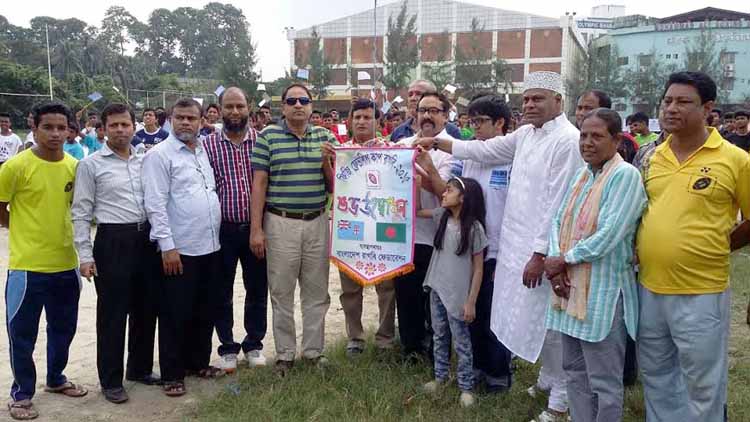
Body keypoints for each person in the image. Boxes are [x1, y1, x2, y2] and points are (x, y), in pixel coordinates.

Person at [420, 71, 583, 422]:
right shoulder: (526, 135)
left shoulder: (568, 140)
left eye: (538, 98)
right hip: (512, 247)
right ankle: (547, 378)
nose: (530, 105)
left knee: (552, 322)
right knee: (523, 315)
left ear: (559, 101)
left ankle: (561, 398)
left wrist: (540, 254)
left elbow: (556, 204)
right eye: (525, 99)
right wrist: (437, 144)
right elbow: (484, 149)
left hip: (543, 251)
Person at [637, 71, 750, 422]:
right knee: (656, 376)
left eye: (683, 102)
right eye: (668, 101)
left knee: (702, 383)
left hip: (701, 291)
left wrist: (717, 246)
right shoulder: (652, 158)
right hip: (649, 287)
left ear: (708, 109)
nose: (671, 108)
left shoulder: (735, 160)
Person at [544, 108, 647, 422]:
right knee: (574, 371)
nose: (587, 142)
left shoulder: (625, 176)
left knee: (603, 381)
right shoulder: (583, 174)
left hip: (604, 294)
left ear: (616, 140)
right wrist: (557, 264)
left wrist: (564, 259)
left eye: (597, 136)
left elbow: (610, 234)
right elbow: (558, 220)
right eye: (584, 135)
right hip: (571, 289)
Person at [1, 102, 88, 420]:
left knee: (63, 329)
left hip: (66, 264)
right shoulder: (15, 167)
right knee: (21, 334)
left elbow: (78, 212)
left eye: (60, 127)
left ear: (69, 130)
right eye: (47, 127)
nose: (54, 133)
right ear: (34, 128)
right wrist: (20, 230)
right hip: (27, 268)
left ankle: (56, 379)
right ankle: (22, 394)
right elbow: (1, 205)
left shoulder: (73, 167)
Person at [71, 103, 162, 404]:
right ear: (103, 129)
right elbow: (81, 212)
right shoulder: (91, 165)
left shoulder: (146, 160)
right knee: (112, 314)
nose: (121, 130)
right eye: (114, 126)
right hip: (113, 241)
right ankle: (110, 380)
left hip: (146, 239)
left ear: (133, 126)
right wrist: (85, 255)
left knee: (145, 308)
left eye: (125, 124)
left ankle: (138, 369)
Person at [250, 84, 335, 376]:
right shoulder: (268, 136)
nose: (298, 105)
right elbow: (259, 184)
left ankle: (313, 352)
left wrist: (327, 162)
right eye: (292, 101)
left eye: (304, 100)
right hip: (280, 222)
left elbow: (336, 186)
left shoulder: (325, 137)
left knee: (316, 291)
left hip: (316, 221)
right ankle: (285, 354)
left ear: (311, 106)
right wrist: (256, 230)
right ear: (282, 107)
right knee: (281, 291)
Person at [142, 98, 224, 397]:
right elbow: (155, 204)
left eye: (192, 118)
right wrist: (167, 246)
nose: (186, 123)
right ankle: (173, 373)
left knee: (204, 308)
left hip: (210, 245)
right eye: (180, 118)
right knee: (175, 312)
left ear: (202, 121)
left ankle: (197, 362)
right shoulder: (160, 156)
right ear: (170, 120)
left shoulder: (203, 150)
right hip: (180, 248)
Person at [203, 87, 268, 373]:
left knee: (257, 289)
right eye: (228, 106)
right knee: (221, 290)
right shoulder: (207, 146)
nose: (234, 112)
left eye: (239, 106)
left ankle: (253, 343)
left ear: (249, 107)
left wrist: (258, 229)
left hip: (257, 229)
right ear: (219, 108)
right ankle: (227, 346)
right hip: (222, 231)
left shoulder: (263, 142)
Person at [394, 92, 458, 363]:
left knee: (436, 299)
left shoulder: (454, 148)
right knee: (407, 296)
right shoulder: (401, 145)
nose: (427, 116)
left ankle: (437, 352)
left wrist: (427, 167)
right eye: (422, 110)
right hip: (405, 238)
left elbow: (448, 195)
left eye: (434, 110)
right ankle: (411, 349)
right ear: (415, 114)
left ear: (445, 115)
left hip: (438, 238)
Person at [460, 95, 514, 393]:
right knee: (474, 314)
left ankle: (499, 374)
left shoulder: (514, 157)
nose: (474, 128)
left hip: (500, 250)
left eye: (480, 122)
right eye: (471, 122)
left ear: (500, 123)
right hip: (472, 249)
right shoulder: (470, 154)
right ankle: (479, 367)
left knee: (497, 315)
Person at [335, 99, 397, 356]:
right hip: (351, 228)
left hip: (383, 228)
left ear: (378, 122)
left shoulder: (394, 151)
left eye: (367, 117)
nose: (361, 121)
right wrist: (328, 162)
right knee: (350, 288)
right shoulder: (340, 152)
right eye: (357, 117)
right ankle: (356, 338)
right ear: (349, 121)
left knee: (387, 288)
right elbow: (333, 188)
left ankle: (385, 338)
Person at [419, 176, 487, 408]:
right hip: (437, 287)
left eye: (449, 190)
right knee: (439, 335)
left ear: (464, 197)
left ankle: (466, 386)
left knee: (461, 341)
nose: (444, 194)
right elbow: (418, 212)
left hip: (458, 295)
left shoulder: (475, 229)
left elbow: (478, 269)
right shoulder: (441, 216)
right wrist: (417, 182)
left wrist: (471, 301)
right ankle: (441, 377)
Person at [390, 80, 463, 142]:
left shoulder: (451, 131)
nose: (413, 98)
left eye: (418, 94)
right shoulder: (398, 132)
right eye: (410, 94)